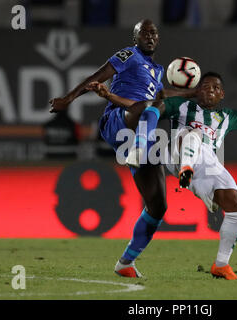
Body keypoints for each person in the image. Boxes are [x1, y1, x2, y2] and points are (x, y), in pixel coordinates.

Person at [86, 72, 237, 280]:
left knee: (236, 205)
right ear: (197, 91)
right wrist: (112, 97)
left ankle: (221, 264)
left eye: (216, 87)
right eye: (205, 86)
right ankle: (185, 170)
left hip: (208, 163)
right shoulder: (181, 105)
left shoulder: (228, 117)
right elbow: (147, 107)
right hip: (177, 153)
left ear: (222, 94)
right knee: (193, 133)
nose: (210, 90)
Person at [49, 19, 195, 278]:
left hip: (142, 128)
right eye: (144, 33)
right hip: (118, 120)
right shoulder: (128, 55)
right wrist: (68, 99)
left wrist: (193, 94)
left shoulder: (158, 70)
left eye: (154, 33)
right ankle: (137, 149)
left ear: (158, 39)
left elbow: (161, 98)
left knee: (157, 206)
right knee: (148, 107)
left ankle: (126, 262)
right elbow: (97, 76)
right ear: (135, 37)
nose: (150, 37)